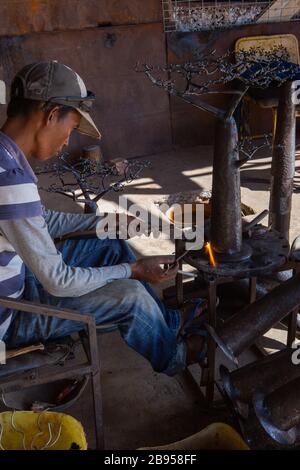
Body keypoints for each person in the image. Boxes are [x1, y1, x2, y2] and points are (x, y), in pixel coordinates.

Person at [0, 60, 206, 376]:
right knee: (130, 295)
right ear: (52, 115)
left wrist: (103, 224)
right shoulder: (10, 179)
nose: (67, 142)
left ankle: (166, 321)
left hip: (18, 276)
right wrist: (132, 270)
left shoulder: (6, 156)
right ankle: (173, 355)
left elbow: (42, 221)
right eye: (69, 129)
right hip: (11, 314)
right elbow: (57, 281)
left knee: (109, 244)